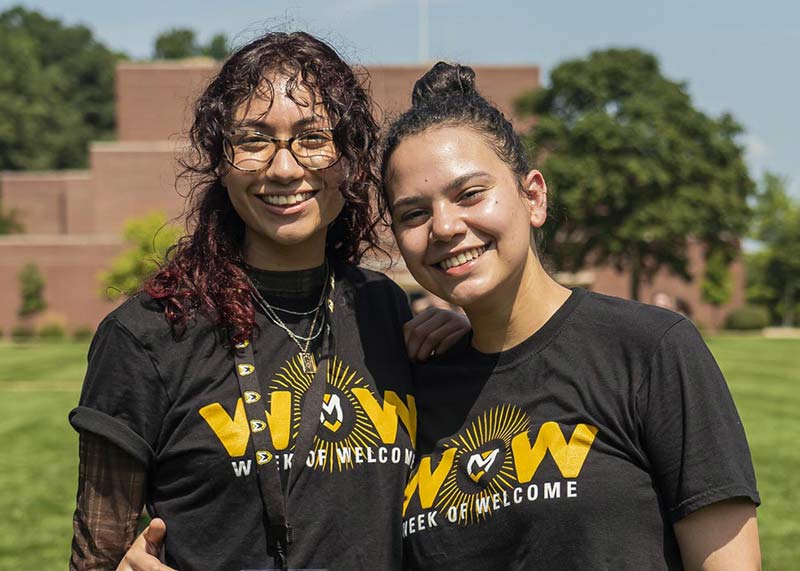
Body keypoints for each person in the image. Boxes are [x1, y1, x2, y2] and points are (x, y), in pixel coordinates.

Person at [69, 33, 467, 571]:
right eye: (253, 140)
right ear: (220, 160)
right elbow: (95, 557)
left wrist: (466, 338)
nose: (284, 169)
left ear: (349, 159)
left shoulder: (382, 308)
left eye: (312, 138)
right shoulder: (149, 335)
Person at [379, 62, 761, 570]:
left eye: (470, 194)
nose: (444, 226)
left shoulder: (650, 349)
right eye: (414, 213)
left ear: (533, 196)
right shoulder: (413, 388)